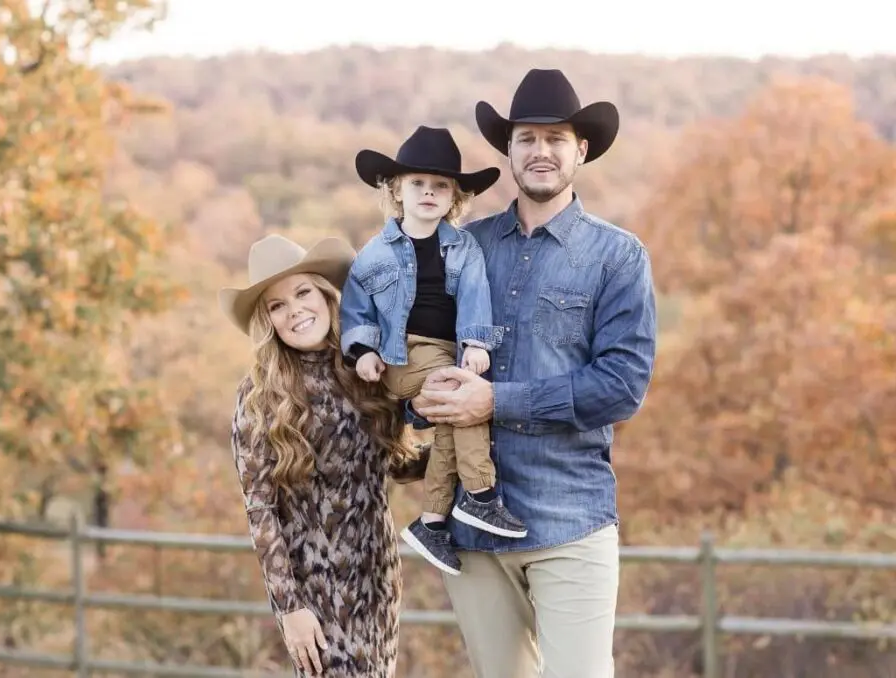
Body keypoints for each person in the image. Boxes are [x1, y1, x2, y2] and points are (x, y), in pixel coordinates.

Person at [406, 69, 658, 678]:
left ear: (581, 150)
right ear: (509, 150)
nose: (540, 151)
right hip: (471, 530)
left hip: (568, 519)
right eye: (526, 138)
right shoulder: (461, 247)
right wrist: (423, 397)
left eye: (555, 138)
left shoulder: (618, 256)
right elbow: (419, 352)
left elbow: (622, 386)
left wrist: (496, 401)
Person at [219, 234, 426, 677]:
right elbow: (260, 510)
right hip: (314, 589)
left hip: (378, 577)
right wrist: (289, 609)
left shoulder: (366, 371)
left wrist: (457, 443)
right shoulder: (259, 396)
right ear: (268, 321)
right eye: (276, 306)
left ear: (327, 297)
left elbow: (398, 463)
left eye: (302, 293)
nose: (294, 311)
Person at [338, 125, 528, 577]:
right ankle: (482, 495)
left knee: (450, 422)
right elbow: (356, 306)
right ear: (396, 191)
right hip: (400, 355)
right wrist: (362, 350)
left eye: (440, 186)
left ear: (454, 198)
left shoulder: (464, 248)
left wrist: (477, 343)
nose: (428, 192)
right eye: (417, 184)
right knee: (465, 399)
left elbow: (475, 296)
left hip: (446, 351)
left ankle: (433, 521)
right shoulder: (375, 254)